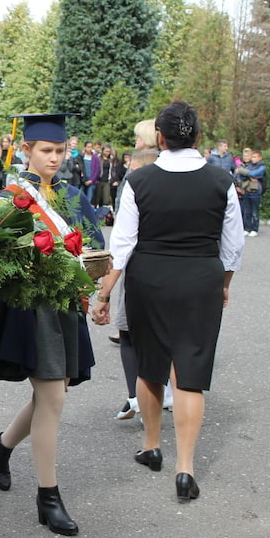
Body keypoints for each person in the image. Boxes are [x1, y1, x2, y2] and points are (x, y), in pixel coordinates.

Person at [91, 101, 245, 502]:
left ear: (160, 138)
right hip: (201, 279)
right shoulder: (220, 180)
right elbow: (233, 247)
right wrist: (223, 283)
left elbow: (121, 246)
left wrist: (105, 294)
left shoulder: (139, 183)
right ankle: (186, 468)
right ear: (197, 137)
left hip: (149, 279)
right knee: (190, 374)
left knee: (150, 366)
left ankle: (152, 445)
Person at [0, 113, 103, 537]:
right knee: (53, 399)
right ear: (26, 149)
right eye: (46, 150)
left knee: (53, 394)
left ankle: (2, 446)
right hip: (29, 309)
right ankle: (49, 497)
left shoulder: (70, 193)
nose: (54, 158)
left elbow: (91, 241)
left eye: (60, 151)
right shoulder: (8, 193)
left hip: (65, 304)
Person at [109, 148, 159, 419]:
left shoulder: (137, 190)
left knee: (128, 334)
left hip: (137, 270)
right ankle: (156, 395)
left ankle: (136, 397)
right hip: (174, 274)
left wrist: (104, 293)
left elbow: (122, 242)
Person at [235, 150, 265, 237]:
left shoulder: (262, 167)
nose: (252, 159)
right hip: (247, 190)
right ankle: (247, 228)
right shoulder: (249, 166)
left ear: (260, 158)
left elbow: (255, 174)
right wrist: (250, 175)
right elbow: (241, 176)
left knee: (255, 212)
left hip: (256, 191)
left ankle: (254, 229)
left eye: (254, 157)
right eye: (252, 157)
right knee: (247, 211)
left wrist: (244, 172)